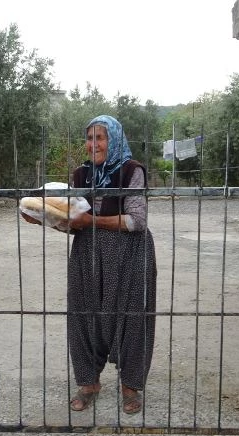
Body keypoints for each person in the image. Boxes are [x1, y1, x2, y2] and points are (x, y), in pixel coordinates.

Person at [23, 115, 157, 415]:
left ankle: (130, 386)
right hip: (88, 254)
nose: (93, 144)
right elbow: (73, 223)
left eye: (100, 138)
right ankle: (88, 382)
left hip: (130, 254)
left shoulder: (131, 171)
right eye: (89, 138)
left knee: (132, 317)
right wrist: (43, 218)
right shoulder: (81, 175)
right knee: (84, 317)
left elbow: (137, 220)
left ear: (114, 140)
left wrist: (90, 221)